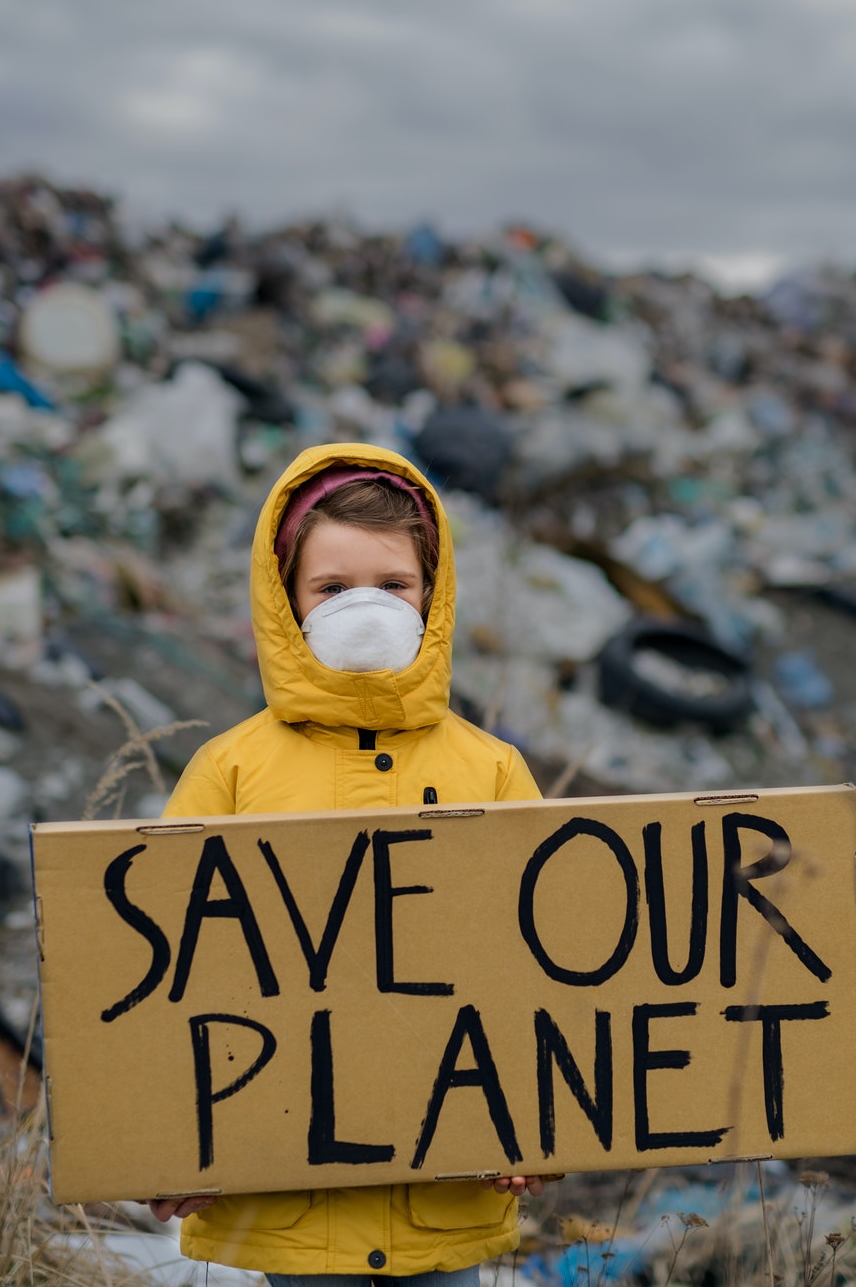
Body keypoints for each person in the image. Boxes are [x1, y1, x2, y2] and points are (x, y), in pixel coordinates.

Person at [147, 442, 548, 1287]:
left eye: (393, 585)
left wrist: (540, 1128)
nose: (365, 609)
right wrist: (177, 1141)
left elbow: (547, 976)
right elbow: (171, 976)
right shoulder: (229, 772)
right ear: (285, 601)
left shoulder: (496, 771)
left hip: (448, 1193)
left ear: (432, 598)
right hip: (293, 1196)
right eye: (332, 588)